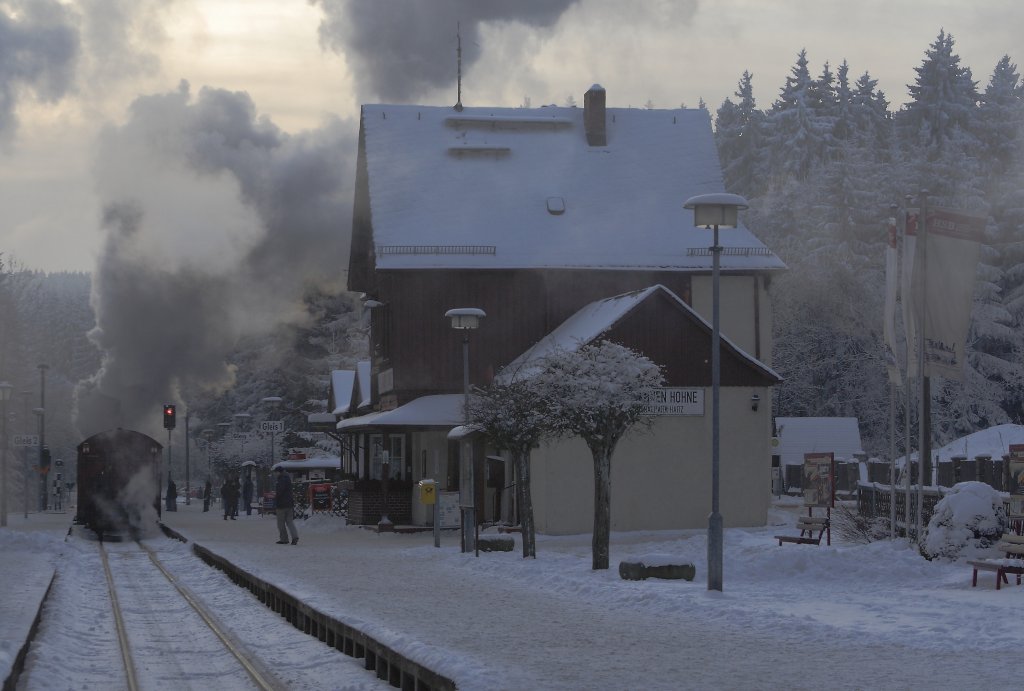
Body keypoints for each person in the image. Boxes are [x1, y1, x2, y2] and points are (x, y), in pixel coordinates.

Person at [274, 466, 299, 545]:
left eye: (276, 472)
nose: (275, 474)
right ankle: (295, 536)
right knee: (290, 522)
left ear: (279, 472)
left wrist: (276, 497)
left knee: (280, 523)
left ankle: (284, 539)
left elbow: (280, 491)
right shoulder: (287, 478)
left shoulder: (281, 480)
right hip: (289, 504)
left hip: (281, 505)